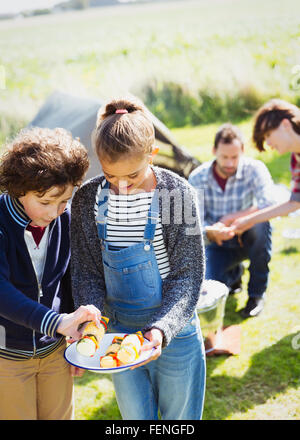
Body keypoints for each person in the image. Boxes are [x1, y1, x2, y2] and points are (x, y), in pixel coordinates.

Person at [70, 96, 206, 420]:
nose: (120, 186)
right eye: (109, 175)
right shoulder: (88, 198)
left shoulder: (176, 194)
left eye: (131, 176)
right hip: (118, 333)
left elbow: (187, 276)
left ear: (152, 154)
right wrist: (92, 321)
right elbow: (86, 271)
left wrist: (159, 330)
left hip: (174, 331)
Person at [0, 127, 102, 420]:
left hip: (56, 353)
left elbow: (68, 279)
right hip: (7, 357)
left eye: (64, 201)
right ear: (18, 189)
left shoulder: (64, 220)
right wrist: (57, 321)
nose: (54, 212)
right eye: (44, 202)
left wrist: (79, 332)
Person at [188, 123, 275, 318]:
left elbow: (270, 203)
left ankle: (256, 295)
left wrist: (232, 219)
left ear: (242, 151)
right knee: (208, 290)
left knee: (262, 224)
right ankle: (233, 275)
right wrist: (211, 231)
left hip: (248, 237)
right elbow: (191, 224)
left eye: (234, 157)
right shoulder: (197, 178)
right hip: (215, 243)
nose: (229, 163)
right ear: (214, 151)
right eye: (224, 157)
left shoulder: (255, 169)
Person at [231, 99, 300, 233]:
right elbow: (295, 202)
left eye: (268, 134)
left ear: (285, 124)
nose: (268, 142)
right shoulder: (296, 159)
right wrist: (249, 220)